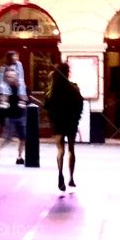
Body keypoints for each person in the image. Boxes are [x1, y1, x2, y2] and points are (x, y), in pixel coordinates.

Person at [43, 62, 84, 191]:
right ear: (67, 73)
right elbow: (79, 105)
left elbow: (47, 106)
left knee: (60, 150)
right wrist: (76, 120)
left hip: (58, 123)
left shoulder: (52, 90)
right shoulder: (74, 88)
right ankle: (71, 178)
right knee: (71, 150)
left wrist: (52, 119)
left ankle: (60, 173)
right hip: (71, 122)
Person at [0, 65, 28, 165]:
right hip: (10, 116)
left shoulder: (21, 87)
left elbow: (25, 98)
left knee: (23, 137)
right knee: (7, 137)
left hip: (20, 115)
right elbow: (3, 99)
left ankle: (19, 157)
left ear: (16, 76)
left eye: (11, 76)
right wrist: (3, 102)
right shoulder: (6, 88)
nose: (10, 78)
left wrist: (23, 101)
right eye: (8, 77)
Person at [0, 50, 27, 133]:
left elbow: (21, 78)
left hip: (16, 89)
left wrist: (22, 93)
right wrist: (3, 92)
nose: (16, 58)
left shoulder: (19, 65)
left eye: (17, 56)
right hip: (7, 90)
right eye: (14, 56)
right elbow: (1, 81)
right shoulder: (3, 67)